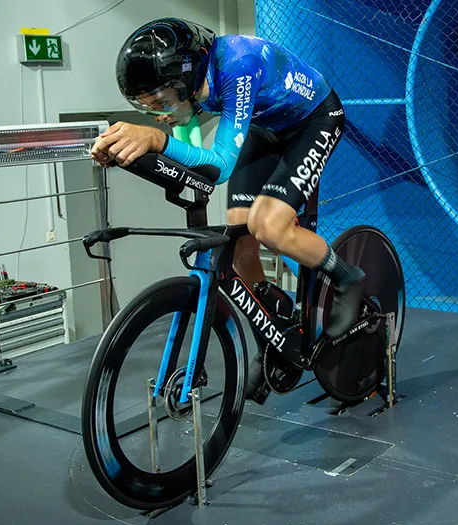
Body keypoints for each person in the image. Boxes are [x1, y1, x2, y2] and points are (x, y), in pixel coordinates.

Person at [92, 18, 365, 399]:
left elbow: (218, 166)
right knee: (236, 243)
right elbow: (186, 150)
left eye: (163, 101)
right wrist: (131, 156)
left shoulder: (239, 65)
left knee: (268, 226)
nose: (160, 112)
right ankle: (270, 338)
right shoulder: (193, 80)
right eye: (148, 106)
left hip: (314, 120)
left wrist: (155, 140)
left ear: (186, 77)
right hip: (266, 125)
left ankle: (348, 277)